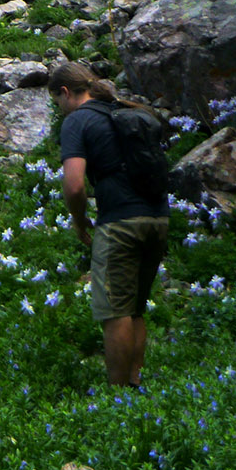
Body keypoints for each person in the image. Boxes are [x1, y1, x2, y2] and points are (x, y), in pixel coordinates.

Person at [49, 60, 169, 388]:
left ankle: (117, 397)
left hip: (120, 224)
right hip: (158, 217)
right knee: (135, 309)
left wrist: (79, 221)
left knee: (115, 311)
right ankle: (135, 384)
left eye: (57, 101)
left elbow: (74, 185)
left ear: (65, 92)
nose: (59, 108)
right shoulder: (125, 110)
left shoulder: (77, 121)